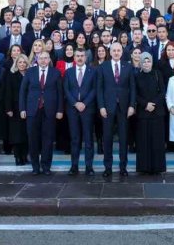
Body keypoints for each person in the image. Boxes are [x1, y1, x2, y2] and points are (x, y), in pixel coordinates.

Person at [20, 51, 63, 175]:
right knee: (33, 139)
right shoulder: (30, 72)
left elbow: (60, 93)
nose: (43, 60)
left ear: (49, 60)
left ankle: (46, 166)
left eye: (45, 58)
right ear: (37, 60)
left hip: (50, 111)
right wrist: (22, 109)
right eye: (41, 58)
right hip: (32, 110)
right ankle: (35, 166)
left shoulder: (55, 73)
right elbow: (23, 91)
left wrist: (60, 110)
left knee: (48, 140)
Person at [97, 43, 136, 177]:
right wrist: (101, 106)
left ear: (122, 52)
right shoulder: (103, 67)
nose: (116, 52)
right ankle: (107, 167)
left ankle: (123, 167)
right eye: (114, 50)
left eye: (119, 50)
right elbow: (99, 89)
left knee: (123, 139)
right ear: (110, 51)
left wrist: (132, 105)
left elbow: (132, 88)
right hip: (107, 108)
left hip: (124, 108)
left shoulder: (128, 67)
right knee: (107, 138)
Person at [64, 48, 96, 176]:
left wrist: (84, 103)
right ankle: (74, 166)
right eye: (77, 55)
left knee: (88, 139)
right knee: (75, 139)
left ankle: (89, 167)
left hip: (88, 109)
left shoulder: (92, 72)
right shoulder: (68, 72)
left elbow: (94, 89)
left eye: (82, 55)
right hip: (72, 109)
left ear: (86, 57)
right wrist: (75, 103)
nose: (80, 58)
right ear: (74, 57)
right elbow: (66, 89)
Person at [134, 52, 166, 175]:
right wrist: (145, 104)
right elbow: (135, 94)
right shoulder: (137, 76)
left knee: (157, 141)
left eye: (148, 61)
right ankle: (144, 167)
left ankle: (157, 167)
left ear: (152, 62)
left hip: (157, 113)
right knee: (144, 142)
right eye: (144, 61)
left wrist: (154, 103)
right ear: (140, 63)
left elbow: (163, 91)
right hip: (143, 113)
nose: (146, 63)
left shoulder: (158, 74)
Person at [4, 53, 30, 166]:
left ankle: (25, 156)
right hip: (14, 108)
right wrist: (8, 108)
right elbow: (8, 93)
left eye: (24, 62)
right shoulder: (11, 75)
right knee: (16, 134)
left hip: (28, 107)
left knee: (26, 133)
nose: (22, 64)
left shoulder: (30, 75)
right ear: (16, 63)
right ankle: (18, 157)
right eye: (20, 62)